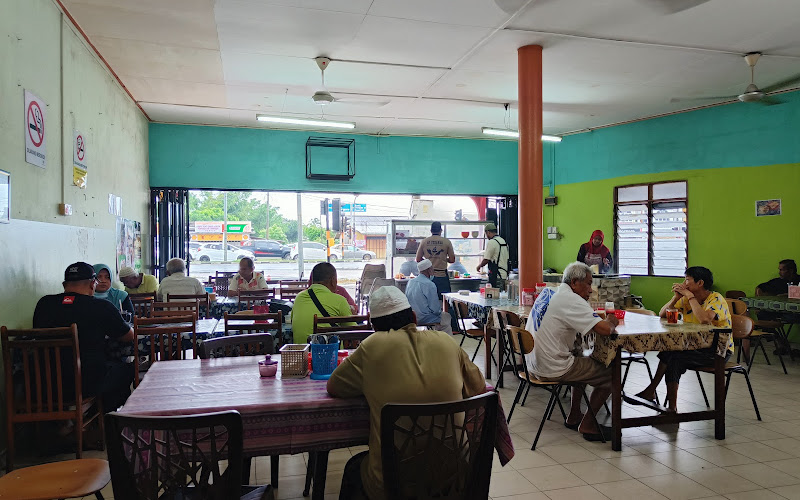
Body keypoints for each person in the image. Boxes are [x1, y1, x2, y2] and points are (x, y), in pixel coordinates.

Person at [328, 286, 486, 500]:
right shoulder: (446, 341)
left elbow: (334, 386)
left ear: (374, 326)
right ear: (413, 317)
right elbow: (478, 387)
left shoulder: (371, 346)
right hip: (455, 479)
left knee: (353, 468)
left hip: (395, 484)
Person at [526, 261, 619, 441]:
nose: (590, 290)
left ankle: (574, 415)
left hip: (532, 364)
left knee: (578, 354)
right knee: (612, 374)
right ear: (575, 282)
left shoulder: (548, 292)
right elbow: (605, 330)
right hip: (551, 367)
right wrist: (611, 321)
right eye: (588, 283)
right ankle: (588, 424)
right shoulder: (571, 300)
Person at [33, 262, 135, 411]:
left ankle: (70, 418)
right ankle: (105, 416)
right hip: (85, 384)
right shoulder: (101, 307)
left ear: (64, 285)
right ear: (93, 284)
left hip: (43, 384)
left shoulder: (44, 304)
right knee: (126, 370)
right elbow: (128, 336)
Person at [634, 266, 732, 413]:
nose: (684, 284)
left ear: (700, 283)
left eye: (687, 280)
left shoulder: (716, 298)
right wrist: (676, 298)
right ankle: (655, 394)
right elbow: (662, 314)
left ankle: (669, 406)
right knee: (669, 351)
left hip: (717, 351)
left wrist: (690, 296)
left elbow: (704, 319)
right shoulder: (686, 299)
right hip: (694, 346)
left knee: (675, 358)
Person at [291, 263, 354, 344]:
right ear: (333, 281)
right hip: (330, 351)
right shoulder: (340, 300)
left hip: (302, 351)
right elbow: (353, 331)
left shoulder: (299, 298)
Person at [405, 259, 452, 334]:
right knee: (446, 318)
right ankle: (445, 340)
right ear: (429, 270)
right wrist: (440, 311)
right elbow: (435, 310)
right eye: (432, 269)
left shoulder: (410, 282)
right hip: (424, 318)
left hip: (412, 317)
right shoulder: (429, 284)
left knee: (444, 317)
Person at [415, 221, 455, 298]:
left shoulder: (424, 241)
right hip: (442, 276)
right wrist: (443, 259)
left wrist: (428, 262)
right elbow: (452, 260)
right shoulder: (446, 242)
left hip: (428, 275)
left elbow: (418, 259)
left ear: (431, 231)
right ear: (441, 230)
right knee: (444, 300)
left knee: (428, 299)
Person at [477, 222, 509, 290]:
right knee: (501, 294)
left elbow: (486, 259)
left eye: (486, 234)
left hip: (496, 275)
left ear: (488, 232)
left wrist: (479, 266)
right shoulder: (503, 241)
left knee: (495, 295)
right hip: (504, 275)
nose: (486, 236)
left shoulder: (492, 242)